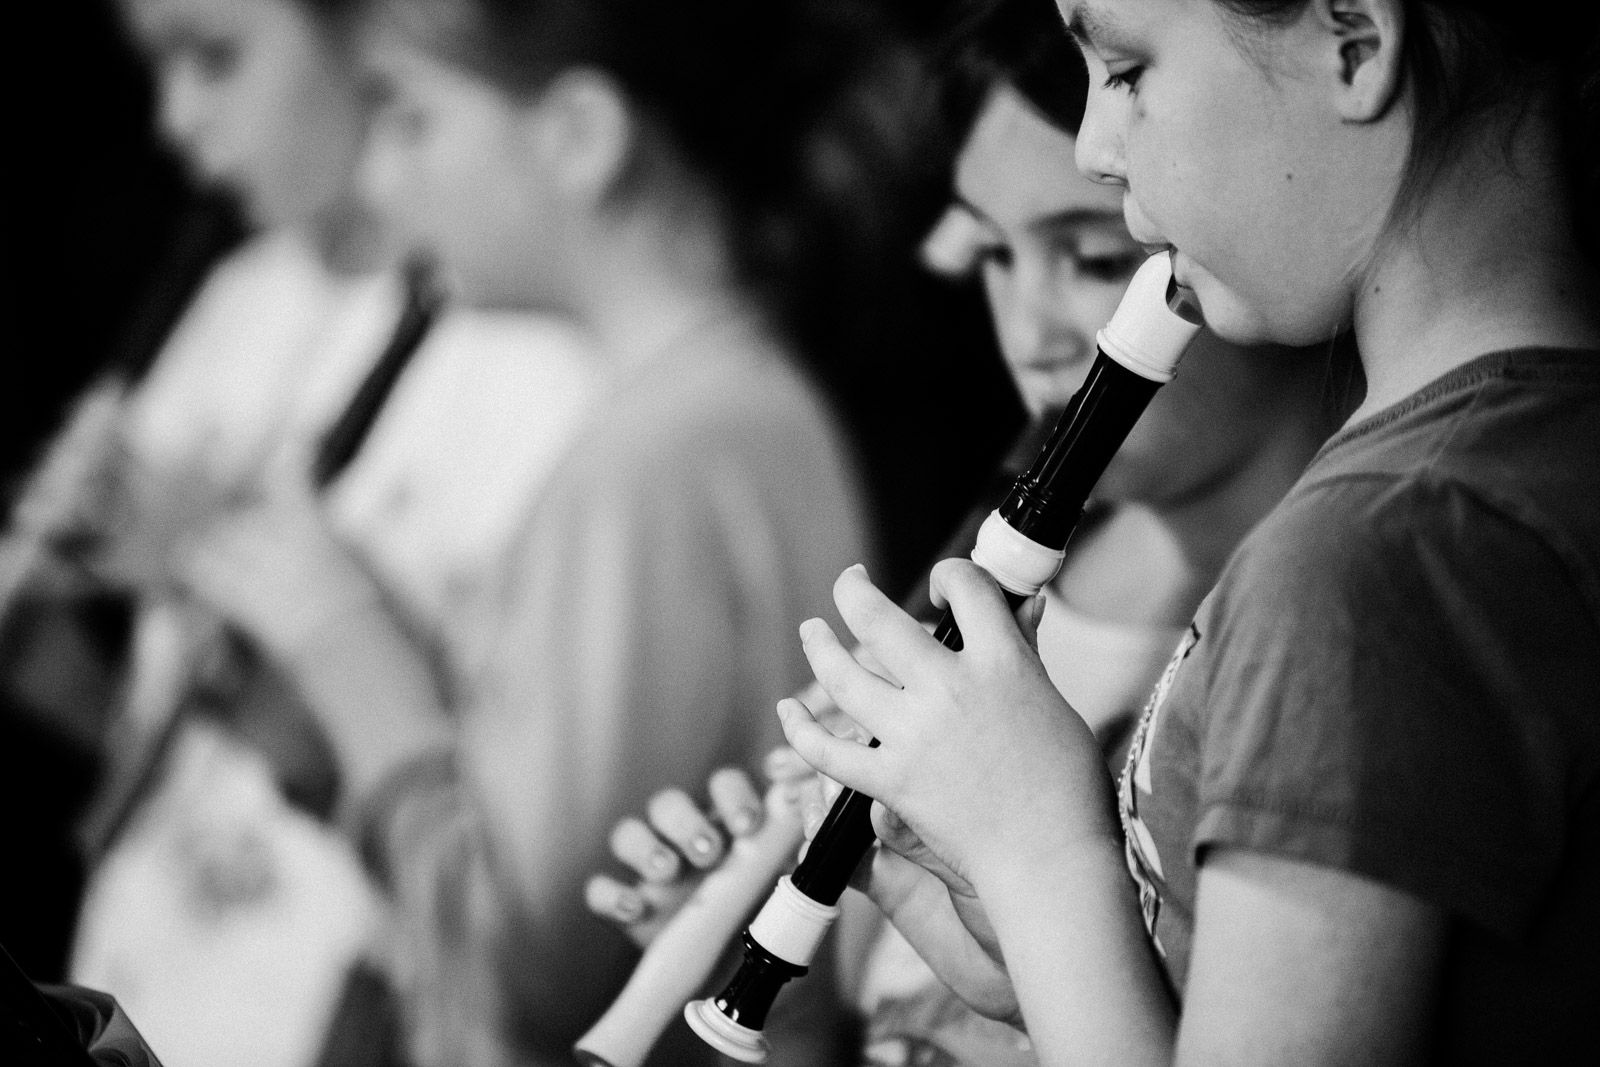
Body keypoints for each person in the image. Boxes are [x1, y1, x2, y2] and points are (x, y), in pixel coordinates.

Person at [775, 0, 1600, 1063]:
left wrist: (1043, 854)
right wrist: (1036, 949)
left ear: (1354, 41)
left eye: (1122, 68)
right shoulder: (1517, 461)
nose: (1092, 148)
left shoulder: (1374, 554)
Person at [586, 2, 1339, 1063]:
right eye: (992, 254)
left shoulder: (1313, 626)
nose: (1029, 333)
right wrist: (783, 990)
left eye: (1089, 257)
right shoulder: (998, 555)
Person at [198, 0, 914, 1063]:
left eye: (411, 119)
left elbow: (537, 976)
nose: (383, 180)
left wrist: (358, 672)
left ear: (580, 134)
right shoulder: (723, 411)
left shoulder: (661, 454)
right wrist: (332, 728)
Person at [41, 2, 598, 1065]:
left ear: (368, 37)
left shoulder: (531, 347)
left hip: (351, 994)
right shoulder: (238, 294)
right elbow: (167, 739)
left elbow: (515, 817)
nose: (178, 120)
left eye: (217, 58)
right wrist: (49, 656)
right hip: (154, 964)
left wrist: (214, 561)